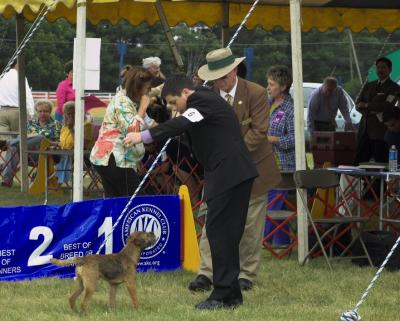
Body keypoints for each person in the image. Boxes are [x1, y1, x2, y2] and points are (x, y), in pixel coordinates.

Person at [123, 74, 258, 310]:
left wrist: (143, 136)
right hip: (232, 174)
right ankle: (232, 294)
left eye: (175, 102)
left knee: (219, 233)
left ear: (186, 93)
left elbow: (181, 124)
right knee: (224, 234)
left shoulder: (202, 100)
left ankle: (222, 294)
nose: (174, 108)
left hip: (229, 173)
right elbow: (183, 129)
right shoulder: (203, 103)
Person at [190, 47, 281, 292]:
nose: (220, 81)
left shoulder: (256, 93)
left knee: (250, 225)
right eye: (215, 77)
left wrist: (229, 156)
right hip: (218, 171)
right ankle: (206, 272)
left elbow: (259, 132)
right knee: (212, 222)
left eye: (223, 75)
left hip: (252, 169)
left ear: (234, 70)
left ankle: (246, 274)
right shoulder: (205, 96)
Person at [90, 66, 155, 197]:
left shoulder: (127, 101)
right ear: (137, 88)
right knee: (137, 202)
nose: (149, 92)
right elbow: (132, 131)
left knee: (115, 203)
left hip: (109, 159)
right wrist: (143, 107)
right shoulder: (122, 102)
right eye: (147, 88)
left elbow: (147, 123)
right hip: (115, 159)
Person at [1, 100, 61, 188]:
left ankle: (7, 143)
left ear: (50, 111)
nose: (43, 114)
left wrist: (48, 142)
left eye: (45, 111)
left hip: (45, 155)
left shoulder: (57, 125)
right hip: (28, 153)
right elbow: (21, 138)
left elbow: (60, 143)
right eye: (40, 111)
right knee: (13, 148)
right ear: (37, 112)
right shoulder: (29, 124)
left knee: (40, 138)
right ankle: (7, 180)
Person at [355, 57, 400, 164]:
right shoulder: (369, 85)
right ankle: (363, 181)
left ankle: (378, 181)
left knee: (379, 163)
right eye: (378, 67)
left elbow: (387, 106)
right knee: (360, 162)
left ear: (390, 70)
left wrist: (366, 105)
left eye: (383, 67)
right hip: (364, 129)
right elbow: (357, 104)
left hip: (380, 131)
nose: (380, 70)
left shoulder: (394, 87)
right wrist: (371, 109)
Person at [55, 101, 94, 184]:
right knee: (47, 156)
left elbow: (81, 144)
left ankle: (58, 182)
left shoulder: (86, 125)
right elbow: (63, 143)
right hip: (65, 153)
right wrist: (53, 144)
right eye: (68, 114)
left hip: (83, 157)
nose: (71, 116)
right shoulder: (65, 127)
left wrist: (71, 129)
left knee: (66, 156)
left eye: (73, 113)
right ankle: (48, 182)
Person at [266, 65, 295, 171]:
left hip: (285, 167)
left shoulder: (291, 108)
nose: (268, 87)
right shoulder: (266, 103)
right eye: (268, 83)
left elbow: (295, 139)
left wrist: (272, 139)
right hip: (267, 164)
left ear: (283, 87)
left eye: (271, 84)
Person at [0, 61, 34, 139]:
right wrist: (31, 113)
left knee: (3, 141)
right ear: (17, 64)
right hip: (17, 112)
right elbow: (27, 95)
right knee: (19, 140)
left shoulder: (2, 76)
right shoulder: (21, 76)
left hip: (2, 112)